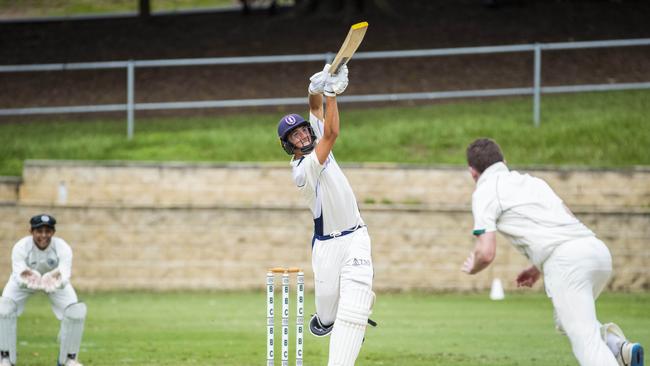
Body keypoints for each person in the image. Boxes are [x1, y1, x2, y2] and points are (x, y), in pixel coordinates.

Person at [461, 138, 644, 366]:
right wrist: (539, 266)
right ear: (504, 161)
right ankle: (619, 348)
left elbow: (486, 252)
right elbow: (566, 217)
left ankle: (613, 352)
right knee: (566, 320)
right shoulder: (532, 182)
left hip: (567, 262)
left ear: (473, 173)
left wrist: (473, 266)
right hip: (596, 251)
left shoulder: (485, 190)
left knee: (587, 345)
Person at [276, 63, 375, 366]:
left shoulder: (315, 140)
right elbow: (331, 131)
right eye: (295, 135)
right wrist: (332, 93)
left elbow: (314, 107)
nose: (303, 136)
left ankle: (357, 311)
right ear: (288, 145)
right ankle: (330, 318)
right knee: (328, 317)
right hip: (326, 247)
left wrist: (315, 87)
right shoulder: (302, 170)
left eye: (304, 129)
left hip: (356, 234)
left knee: (353, 306)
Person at [0, 214, 87, 366]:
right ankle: (5, 357)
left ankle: (68, 359)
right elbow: (18, 273)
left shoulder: (62, 247)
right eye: (39, 231)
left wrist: (55, 279)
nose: (43, 235)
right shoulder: (21, 246)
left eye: (48, 231)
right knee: (4, 308)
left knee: (75, 310)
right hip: (25, 283)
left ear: (53, 232)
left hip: (53, 283)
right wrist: (26, 279)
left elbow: (65, 273)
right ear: (31, 231)